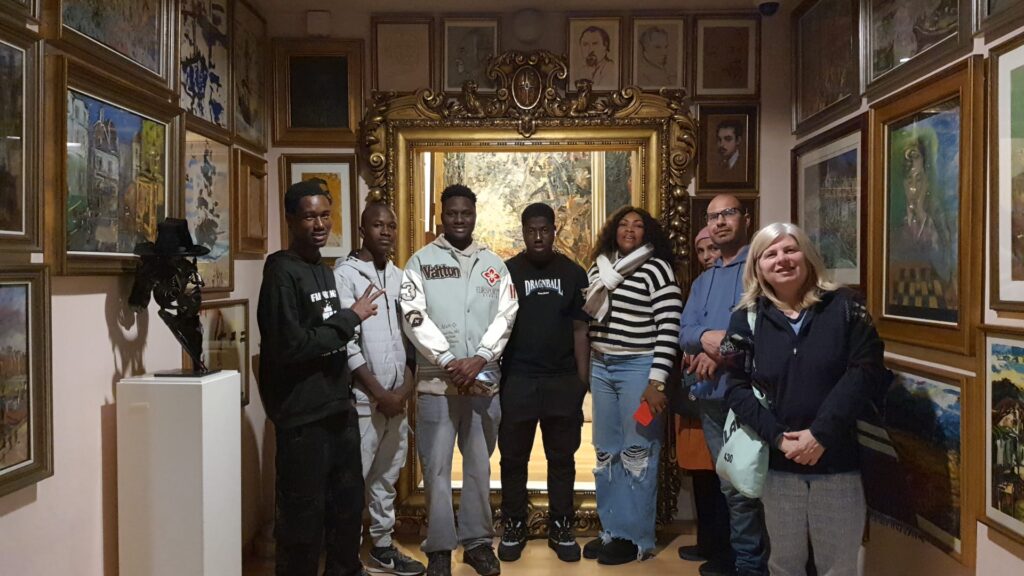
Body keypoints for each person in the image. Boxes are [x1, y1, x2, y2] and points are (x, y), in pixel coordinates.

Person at [722, 222, 887, 576]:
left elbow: (866, 372)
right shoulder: (744, 319)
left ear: (808, 256)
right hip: (779, 465)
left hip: (838, 461)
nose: (781, 259)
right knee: (783, 565)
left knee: (840, 567)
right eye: (770, 254)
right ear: (757, 266)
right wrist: (779, 438)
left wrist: (820, 435)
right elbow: (735, 387)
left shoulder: (847, 307)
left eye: (790, 249)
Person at [257, 178, 384, 576]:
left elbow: (328, 338)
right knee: (302, 520)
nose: (319, 225)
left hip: (337, 410)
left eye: (325, 215)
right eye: (309, 217)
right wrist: (350, 318)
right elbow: (290, 345)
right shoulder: (281, 271)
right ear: (291, 219)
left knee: (346, 508)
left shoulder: (325, 270)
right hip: (302, 417)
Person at [401, 184, 519, 576]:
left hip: (482, 381)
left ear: (474, 214)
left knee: (479, 467)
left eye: (465, 213)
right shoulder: (421, 262)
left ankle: (477, 542)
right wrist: (449, 360)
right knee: (436, 468)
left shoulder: (493, 265)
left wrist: (481, 357)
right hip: (438, 383)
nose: (459, 219)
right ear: (441, 215)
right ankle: (439, 547)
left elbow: (507, 313)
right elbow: (413, 315)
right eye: (452, 213)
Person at [581, 206, 682, 565]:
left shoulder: (656, 268)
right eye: (623, 224)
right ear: (613, 230)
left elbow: (669, 325)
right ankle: (612, 530)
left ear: (647, 233)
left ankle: (637, 537)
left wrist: (657, 381)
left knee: (637, 453)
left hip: (639, 369)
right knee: (606, 453)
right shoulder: (599, 268)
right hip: (601, 366)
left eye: (638, 225)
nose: (629, 229)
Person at [334, 203, 425, 576]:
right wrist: (377, 393)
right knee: (354, 479)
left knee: (387, 477)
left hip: (396, 400)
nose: (386, 232)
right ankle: (346, 559)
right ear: (362, 230)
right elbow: (346, 344)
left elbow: (412, 338)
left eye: (391, 225)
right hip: (363, 401)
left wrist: (402, 392)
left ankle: (383, 548)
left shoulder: (401, 278)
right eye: (377, 225)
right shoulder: (345, 276)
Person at [496, 203, 591, 564]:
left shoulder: (573, 273)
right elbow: (497, 328)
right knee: (512, 459)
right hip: (518, 379)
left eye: (544, 230)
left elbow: (580, 329)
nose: (538, 236)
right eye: (531, 230)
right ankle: (514, 525)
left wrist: (581, 381)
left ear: (555, 231)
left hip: (561, 381)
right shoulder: (508, 272)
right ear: (523, 232)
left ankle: (561, 526)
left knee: (562, 459)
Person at [680, 194, 768, 576]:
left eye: (728, 213)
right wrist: (705, 339)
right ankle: (741, 559)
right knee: (730, 484)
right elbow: (685, 332)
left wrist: (720, 352)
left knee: (752, 484)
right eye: (712, 216)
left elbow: (760, 329)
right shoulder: (703, 281)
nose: (719, 222)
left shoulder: (761, 271)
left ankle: (753, 565)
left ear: (745, 219)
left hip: (751, 396)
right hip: (710, 398)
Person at [675, 226, 731, 570]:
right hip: (695, 390)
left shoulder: (742, 280)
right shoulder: (698, 285)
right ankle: (708, 542)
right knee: (700, 471)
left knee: (727, 474)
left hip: (725, 391)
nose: (708, 256)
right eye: (701, 251)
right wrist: (695, 345)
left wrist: (713, 350)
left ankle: (727, 552)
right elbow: (686, 331)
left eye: (713, 248)